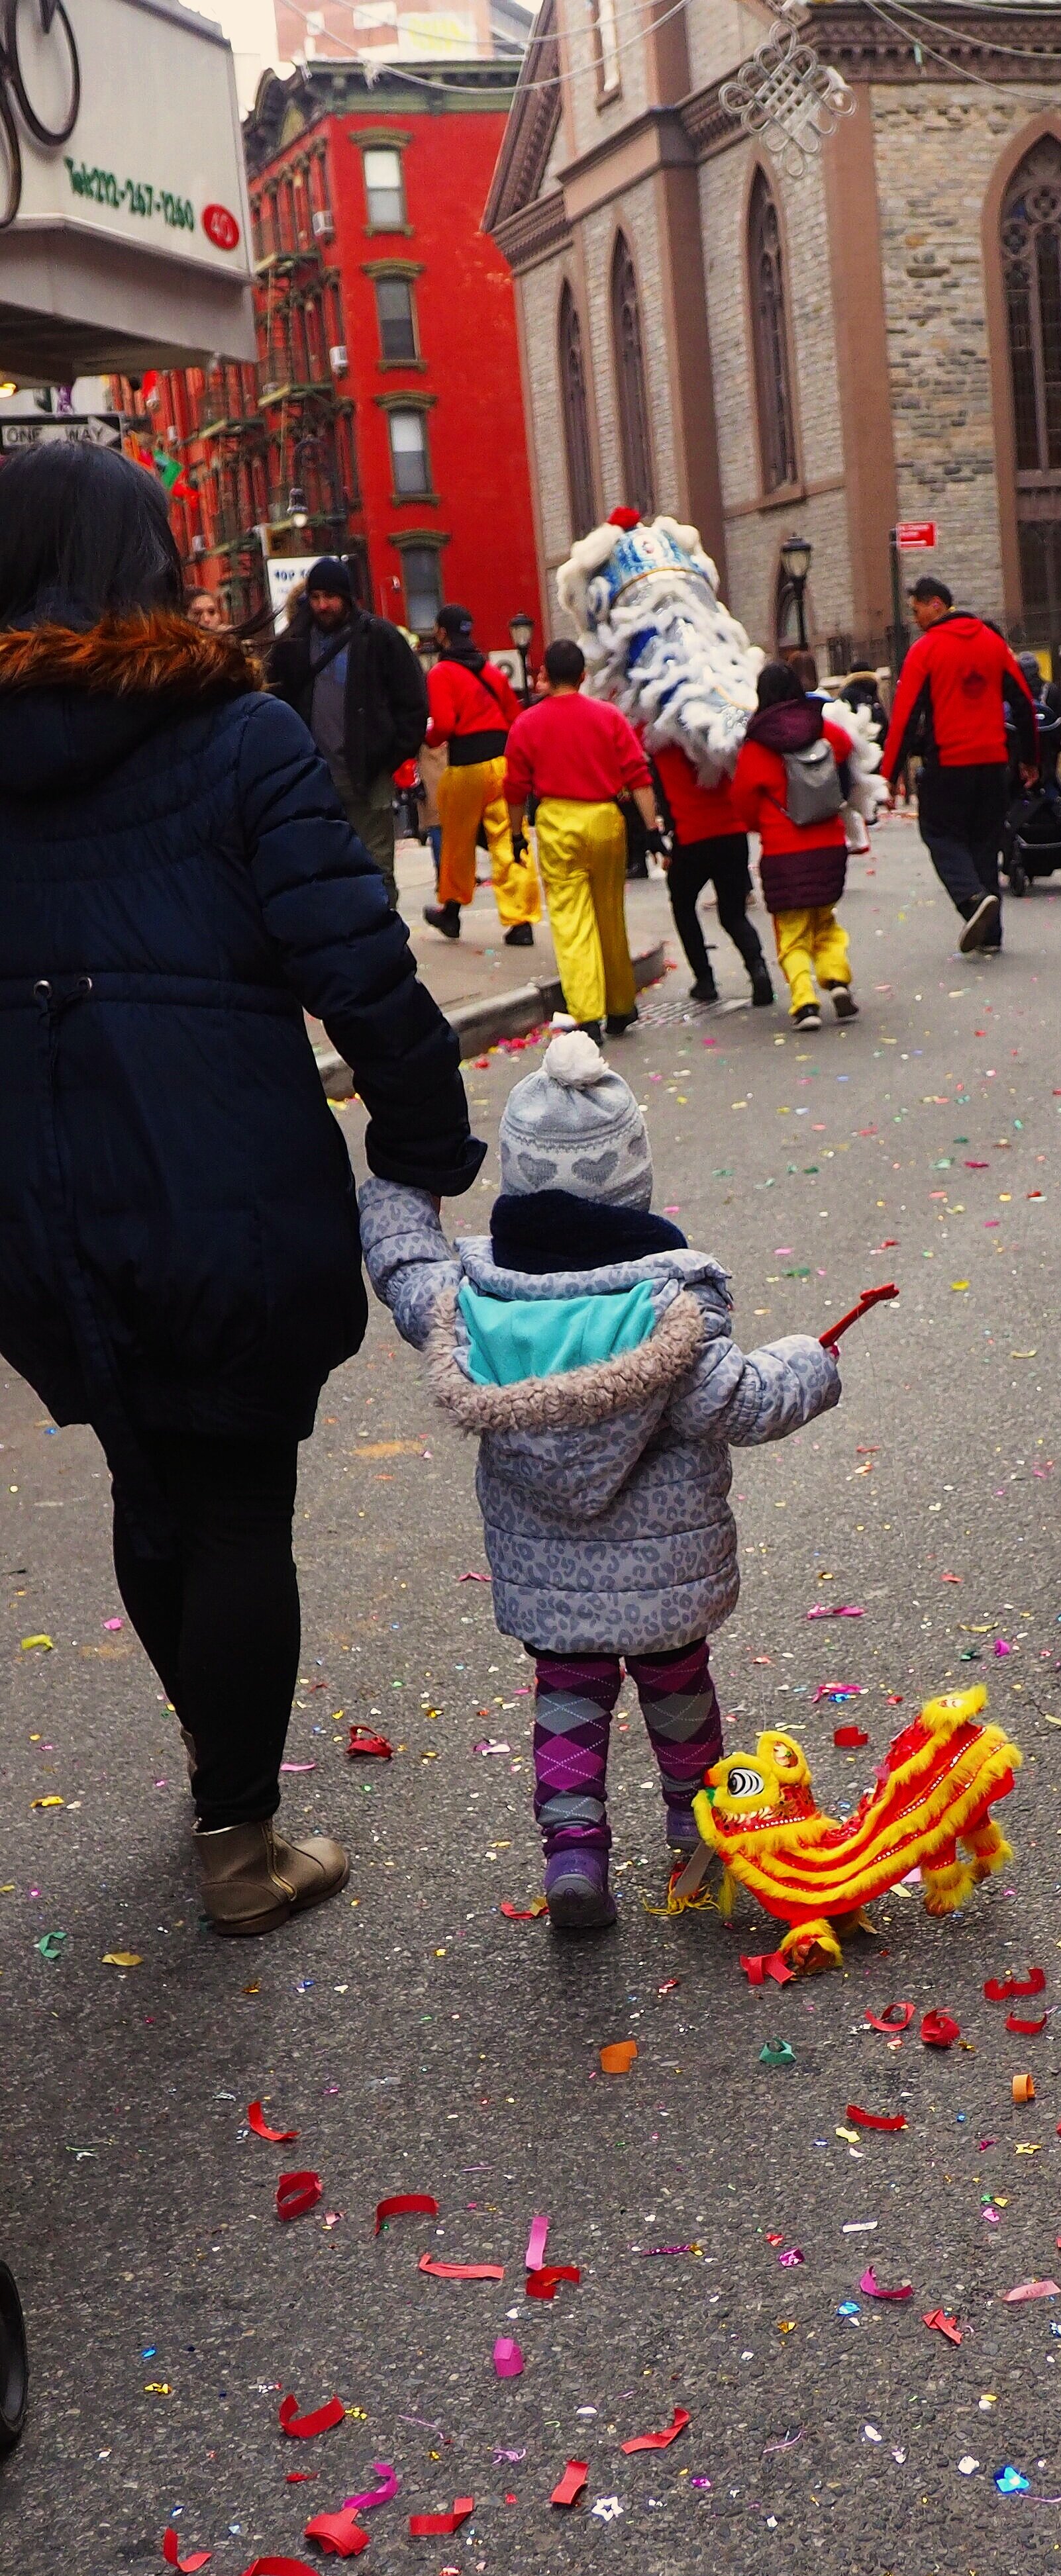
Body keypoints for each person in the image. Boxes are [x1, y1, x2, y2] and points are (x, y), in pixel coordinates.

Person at [0, 440, 481, 1934]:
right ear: (152, 559)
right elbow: (358, 964)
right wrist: (421, 1142)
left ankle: (215, 1756)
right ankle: (239, 1837)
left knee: (146, 1475)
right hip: (220, 1166)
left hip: (33, 1189)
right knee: (233, 1504)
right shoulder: (241, 735)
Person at [359, 1027, 843, 1931]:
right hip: (666, 1588)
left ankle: (575, 1858)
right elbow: (743, 1403)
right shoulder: (671, 1312)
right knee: (680, 1692)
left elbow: (404, 1265)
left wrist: (395, 1183)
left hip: (551, 1583)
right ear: (633, 1185)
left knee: (569, 1704)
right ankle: (696, 1829)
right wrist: (810, 1359)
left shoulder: (470, 1307)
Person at [503, 638, 660, 1038]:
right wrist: (653, 828)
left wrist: (518, 833)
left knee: (572, 920)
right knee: (610, 914)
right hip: (606, 819)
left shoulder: (527, 724)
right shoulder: (608, 717)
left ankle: (587, 1014)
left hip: (558, 822)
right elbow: (638, 776)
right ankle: (621, 1005)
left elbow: (516, 787)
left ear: (544, 676)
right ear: (583, 676)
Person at [880, 576, 1037, 955]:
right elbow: (1024, 704)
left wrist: (888, 774)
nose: (915, 619)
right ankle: (991, 934)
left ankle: (970, 899)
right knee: (983, 841)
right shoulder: (993, 643)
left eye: (917, 610)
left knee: (940, 835)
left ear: (936, 604)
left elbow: (903, 718)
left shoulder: (925, 651)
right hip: (992, 763)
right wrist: (1031, 759)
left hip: (948, 763)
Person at [265, 554, 429, 907]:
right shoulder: (291, 645)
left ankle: (381, 939)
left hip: (369, 775)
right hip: (313, 778)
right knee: (323, 866)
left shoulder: (380, 638)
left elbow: (413, 701)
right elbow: (275, 703)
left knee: (375, 866)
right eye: (317, 596)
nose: (323, 605)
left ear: (347, 596)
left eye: (331, 597)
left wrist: (390, 754)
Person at [729, 659, 857, 1031]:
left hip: (784, 853)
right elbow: (847, 746)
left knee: (792, 932)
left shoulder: (756, 746)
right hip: (829, 845)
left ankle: (804, 1003)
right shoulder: (821, 727)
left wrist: (761, 824)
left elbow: (742, 800)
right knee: (826, 921)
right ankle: (836, 982)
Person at [422, 604, 540, 947]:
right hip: (502, 764)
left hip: (466, 767)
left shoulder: (441, 673)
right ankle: (521, 923)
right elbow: (516, 717)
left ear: (442, 633)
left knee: (457, 844)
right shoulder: (491, 672)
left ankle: (452, 914)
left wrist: (427, 738)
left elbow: (442, 725)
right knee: (510, 840)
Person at [650, 732, 776, 1011]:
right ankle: (758, 969)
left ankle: (704, 980)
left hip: (691, 836)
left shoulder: (665, 744)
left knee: (683, 905)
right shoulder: (720, 739)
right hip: (732, 833)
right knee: (733, 914)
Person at [1015, 652, 1061, 792]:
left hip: (1019, 753)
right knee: (1050, 784)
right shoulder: (1051, 690)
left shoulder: (1014, 693)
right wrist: (1055, 742)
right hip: (1048, 752)